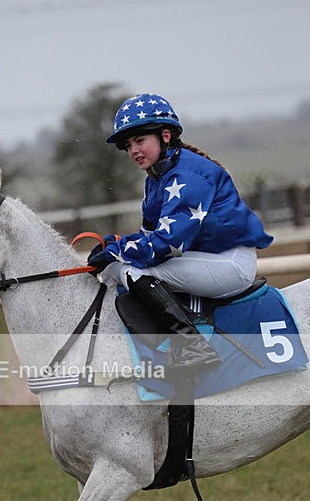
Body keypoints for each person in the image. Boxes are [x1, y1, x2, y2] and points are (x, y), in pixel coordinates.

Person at [88, 92, 273, 371]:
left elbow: (165, 244)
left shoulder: (188, 176)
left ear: (165, 136)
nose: (133, 151)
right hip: (208, 258)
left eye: (140, 141)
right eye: (128, 145)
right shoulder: (157, 177)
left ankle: (192, 346)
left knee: (129, 271)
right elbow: (148, 236)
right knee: (115, 269)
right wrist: (115, 243)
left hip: (231, 265)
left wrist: (116, 251)